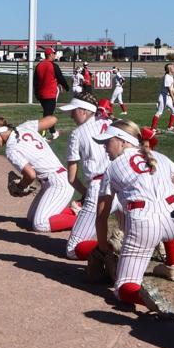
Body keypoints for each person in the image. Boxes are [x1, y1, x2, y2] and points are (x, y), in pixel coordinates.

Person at [93, 120, 174, 317]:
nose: (105, 148)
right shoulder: (160, 157)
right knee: (166, 210)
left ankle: (145, 297)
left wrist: (103, 249)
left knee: (123, 288)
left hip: (144, 224)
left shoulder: (112, 169)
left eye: (108, 142)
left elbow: (102, 216)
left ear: (122, 141)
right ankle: (172, 264)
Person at [0, 115, 77, 233]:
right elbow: (53, 119)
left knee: (40, 224)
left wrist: (21, 186)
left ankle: (84, 219)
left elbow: (31, 175)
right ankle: (75, 211)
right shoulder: (25, 127)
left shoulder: (11, 150)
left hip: (59, 183)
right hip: (54, 180)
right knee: (31, 218)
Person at [61, 98, 116, 262]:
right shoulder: (113, 122)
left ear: (84, 111)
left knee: (72, 250)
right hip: (125, 184)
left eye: (74, 111)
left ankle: (112, 248)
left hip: (99, 189)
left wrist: (85, 194)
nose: (71, 115)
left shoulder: (77, 134)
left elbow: (71, 178)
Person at [34, 51, 65, 140]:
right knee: (48, 114)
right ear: (50, 54)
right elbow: (59, 77)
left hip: (42, 93)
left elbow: (36, 81)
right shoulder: (52, 66)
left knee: (48, 113)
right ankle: (43, 133)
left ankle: (52, 131)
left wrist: (36, 93)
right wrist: (64, 86)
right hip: (50, 93)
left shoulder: (40, 65)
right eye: (53, 53)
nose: (54, 55)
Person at [153, 62, 174, 132]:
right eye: (172, 67)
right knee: (159, 112)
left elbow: (172, 88)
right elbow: (169, 89)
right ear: (169, 69)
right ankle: (153, 128)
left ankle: (170, 127)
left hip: (168, 97)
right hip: (163, 97)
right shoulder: (167, 77)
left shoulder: (170, 77)